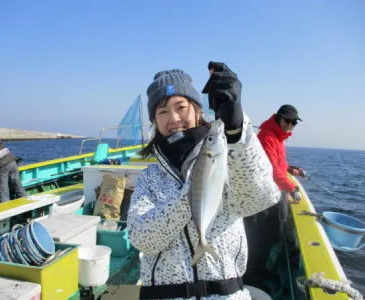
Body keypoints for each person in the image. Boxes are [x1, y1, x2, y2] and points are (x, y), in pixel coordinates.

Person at [127, 62, 280, 299]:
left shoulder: (228, 156)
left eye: (181, 107)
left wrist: (237, 130)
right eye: (163, 111)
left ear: (197, 110)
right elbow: (141, 239)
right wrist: (192, 195)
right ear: (155, 121)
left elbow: (258, 199)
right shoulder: (149, 177)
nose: (174, 118)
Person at [243, 104, 306, 289]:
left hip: (273, 192)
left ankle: (260, 270)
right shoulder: (267, 136)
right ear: (278, 118)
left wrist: (290, 169)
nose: (290, 125)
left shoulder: (277, 137)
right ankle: (250, 277)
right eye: (287, 120)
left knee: (272, 234)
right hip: (263, 195)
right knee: (260, 237)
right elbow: (270, 168)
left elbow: (277, 163)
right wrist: (291, 187)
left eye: (294, 122)